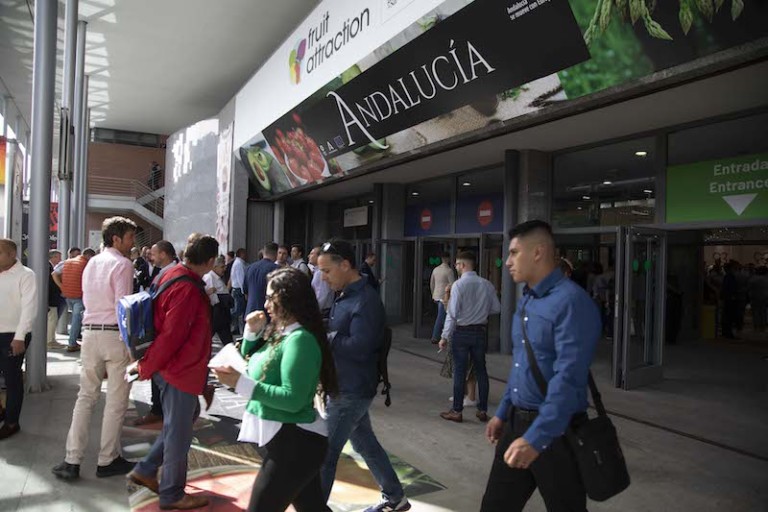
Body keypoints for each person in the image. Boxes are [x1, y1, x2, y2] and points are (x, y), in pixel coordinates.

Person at [481, 220, 601, 512]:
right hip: (516, 424)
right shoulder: (527, 302)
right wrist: (502, 412)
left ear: (538, 252)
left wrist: (536, 438)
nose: (507, 262)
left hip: (558, 433)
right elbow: (521, 367)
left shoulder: (572, 302)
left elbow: (568, 378)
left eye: (513, 253)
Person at [213, 267, 338, 512]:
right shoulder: (282, 332)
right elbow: (255, 362)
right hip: (290, 442)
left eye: (271, 297)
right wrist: (251, 332)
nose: (265, 303)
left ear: (289, 299)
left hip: (297, 445)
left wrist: (240, 383)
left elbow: (292, 399)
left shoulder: (300, 340)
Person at [317, 239, 411, 512]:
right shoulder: (345, 294)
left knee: (326, 453)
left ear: (345, 265)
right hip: (345, 384)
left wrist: (328, 337)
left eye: (327, 271)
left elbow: (361, 346)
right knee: (366, 444)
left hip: (351, 389)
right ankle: (395, 497)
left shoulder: (366, 300)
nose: (323, 278)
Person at [126, 233, 218, 510]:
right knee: (179, 434)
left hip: (176, 369)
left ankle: (146, 468)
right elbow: (172, 336)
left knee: (184, 419)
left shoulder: (172, 275)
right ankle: (172, 494)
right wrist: (146, 367)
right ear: (211, 261)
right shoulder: (188, 288)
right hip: (178, 370)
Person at [52, 217, 138, 481]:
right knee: (115, 401)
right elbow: (123, 308)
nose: (132, 243)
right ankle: (107, 459)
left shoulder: (91, 264)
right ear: (116, 238)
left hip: (90, 335)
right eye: (130, 238)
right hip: (114, 337)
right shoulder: (123, 265)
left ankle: (72, 459)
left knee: (85, 398)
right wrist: (133, 350)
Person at [438, 251, 500, 423]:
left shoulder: (458, 285)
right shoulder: (486, 284)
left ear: (463, 265)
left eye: (457, 264)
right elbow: (496, 308)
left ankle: (457, 411)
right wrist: (480, 311)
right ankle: (482, 410)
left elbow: (452, 313)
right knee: (481, 371)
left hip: (462, 332)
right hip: (480, 332)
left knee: (460, 371)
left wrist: (444, 336)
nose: (456, 267)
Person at [133, 240, 179, 427]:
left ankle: (160, 410)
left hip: (165, 332)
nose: (151, 257)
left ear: (164, 254)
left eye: (154, 253)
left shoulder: (173, 274)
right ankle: (159, 408)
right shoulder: (162, 272)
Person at [0, 239, 37, 440]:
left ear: (12, 255)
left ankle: (12, 422)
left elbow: (29, 308)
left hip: (13, 335)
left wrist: (20, 337)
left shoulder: (26, 275)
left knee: (12, 378)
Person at [53, 247, 96, 352]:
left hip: (68, 295)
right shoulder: (85, 264)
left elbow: (54, 274)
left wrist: (62, 286)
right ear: (89, 256)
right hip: (79, 296)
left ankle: (74, 340)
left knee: (76, 318)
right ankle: (72, 343)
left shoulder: (67, 262)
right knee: (76, 320)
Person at [244, 243, 279, 318]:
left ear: (263, 252)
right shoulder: (277, 269)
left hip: (250, 312)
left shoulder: (249, 268)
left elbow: (245, 292)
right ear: (276, 254)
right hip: (268, 313)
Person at [204, 255, 234, 345]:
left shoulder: (217, 278)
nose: (224, 269)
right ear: (215, 267)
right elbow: (210, 297)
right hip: (216, 312)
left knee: (227, 340)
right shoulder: (210, 277)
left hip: (222, 313)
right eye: (222, 267)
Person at [429, 252, 455, 344]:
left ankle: (446, 336)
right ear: (448, 259)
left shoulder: (435, 270)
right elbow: (453, 284)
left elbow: (432, 283)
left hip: (436, 295)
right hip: (444, 297)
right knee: (441, 317)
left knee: (443, 316)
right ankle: (435, 336)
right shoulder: (449, 271)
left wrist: (433, 294)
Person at [47, 250, 63, 350]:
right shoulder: (48, 267)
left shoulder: (50, 267)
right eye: (58, 257)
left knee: (53, 320)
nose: (60, 260)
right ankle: (50, 341)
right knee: (52, 320)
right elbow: (49, 285)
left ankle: (52, 339)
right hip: (50, 299)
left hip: (51, 299)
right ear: (52, 257)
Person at [231, 248, 248, 334]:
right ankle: (237, 328)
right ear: (241, 254)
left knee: (238, 310)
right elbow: (241, 278)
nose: (246, 255)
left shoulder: (239, 263)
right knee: (238, 310)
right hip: (238, 290)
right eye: (244, 253)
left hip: (237, 289)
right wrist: (244, 291)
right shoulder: (239, 264)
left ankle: (236, 328)